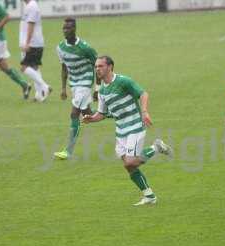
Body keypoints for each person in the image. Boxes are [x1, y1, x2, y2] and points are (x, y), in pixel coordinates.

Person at [83, 56, 173, 206]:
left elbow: (143, 94)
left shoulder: (123, 81)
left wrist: (144, 112)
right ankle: (149, 196)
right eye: (96, 66)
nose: (97, 69)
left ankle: (156, 148)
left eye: (100, 66)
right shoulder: (102, 91)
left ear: (110, 67)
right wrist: (90, 119)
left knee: (130, 162)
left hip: (135, 126)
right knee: (129, 166)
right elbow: (102, 114)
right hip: (121, 131)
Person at [54, 18, 100, 160]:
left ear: (74, 29)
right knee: (88, 114)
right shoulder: (60, 48)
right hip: (74, 84)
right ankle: (114, 111)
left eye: (68, 28)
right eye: (64, 28)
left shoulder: (85, 48)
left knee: (74, 114)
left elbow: (98, 66)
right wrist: (63, 88)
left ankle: (68, 151)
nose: (65, 31)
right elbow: (64, 68)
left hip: (85, 83)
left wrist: (97, 88)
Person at [19, 0, 51, 101]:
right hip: (34, 43)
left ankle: (45, 87)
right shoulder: (29, 6)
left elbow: (31, 25)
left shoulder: (32, 6)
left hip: (33, 43)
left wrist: (27, 42)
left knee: (24, 68)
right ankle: (39, 95)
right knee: (34, 68)